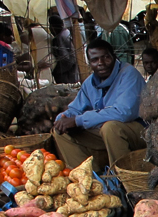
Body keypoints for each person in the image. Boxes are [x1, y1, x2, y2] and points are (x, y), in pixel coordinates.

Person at [52, 38, 147, 172]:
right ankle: (90, 179)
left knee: (111, 128)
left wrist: (78, 120)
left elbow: (123, 113)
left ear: (114, 57)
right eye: (95, 60)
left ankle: (122, 179)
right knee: (60, 132)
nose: (101, 63)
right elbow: (75, 109)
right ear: (90, 63)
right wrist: (63, 118)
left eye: (106, 58)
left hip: (140, 131)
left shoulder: (129, 74)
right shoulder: (89, 83)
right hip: (105, 132)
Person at [49, 16, 79, 84]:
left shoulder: (61, 37)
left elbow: (67, 60)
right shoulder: (66, 33)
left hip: (67, 76)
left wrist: (56, 71)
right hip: (72, 73)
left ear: (54, 27)